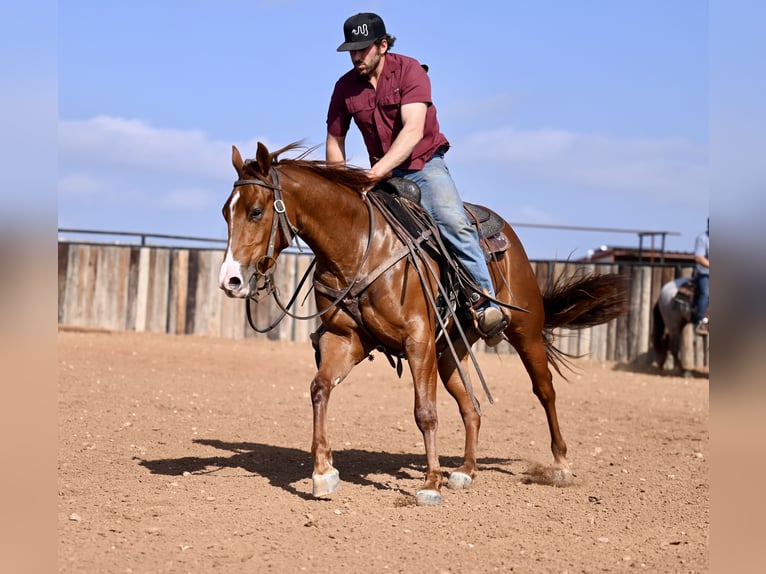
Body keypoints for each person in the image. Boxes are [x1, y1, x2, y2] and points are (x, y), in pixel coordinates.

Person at [325, 12, 506, 343]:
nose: (356, 57)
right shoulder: (344, 88)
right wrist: (340, 185)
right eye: (351, 51)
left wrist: (375, 172)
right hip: (379, 174)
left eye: (362, 49)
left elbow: (413, 130)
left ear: (382, 45)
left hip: (423, 165)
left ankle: (484, 302)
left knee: (451, 220)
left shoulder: (410, 71)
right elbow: (335, 141)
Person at [692, 219, 709, 336]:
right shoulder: (702, 238)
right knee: (706, 293)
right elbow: (699, 257)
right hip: (706, 273)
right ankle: (701, 322)